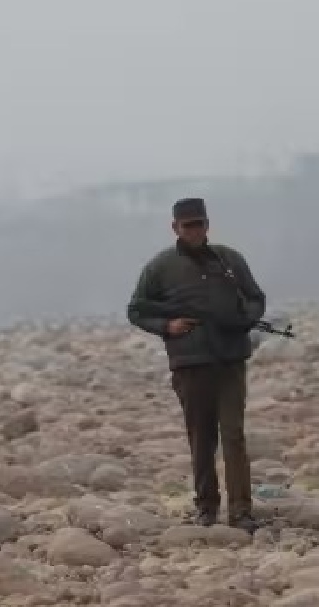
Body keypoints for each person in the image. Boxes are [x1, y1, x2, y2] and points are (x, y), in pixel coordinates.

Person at [127, 198, 266, 532]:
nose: (194, 230)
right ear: (175, 228)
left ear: (207, 224)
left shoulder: (230, 259)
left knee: (233, 435)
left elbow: (255, 298)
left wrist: (243, 319)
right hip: (190, 362)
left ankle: (241, 510)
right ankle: (206, 507)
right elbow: (137, 310)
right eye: (187, 225)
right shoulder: (160, 267)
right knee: (201, 438)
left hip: (230, 358)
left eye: (199, 224)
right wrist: (168, 326)